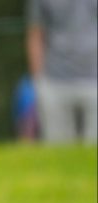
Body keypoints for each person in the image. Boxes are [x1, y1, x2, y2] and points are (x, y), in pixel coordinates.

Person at [26, 0, 97, 144]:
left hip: (93, 78)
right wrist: (38, 82)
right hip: (54, 79)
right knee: (57, 147)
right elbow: (35, 34)